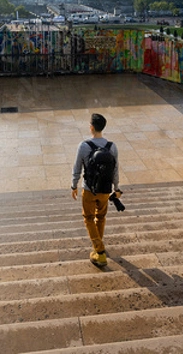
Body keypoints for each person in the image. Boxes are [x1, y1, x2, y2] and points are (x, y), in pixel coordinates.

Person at [71, 113, 121, 267]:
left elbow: (77, 168)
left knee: (88, 218)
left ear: (91, 127)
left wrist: (74, 185)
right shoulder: (112, 146)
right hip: (105, 190)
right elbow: (115, 169)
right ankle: (98, 245)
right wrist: (117, 189)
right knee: (100, 217)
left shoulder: (84, 146)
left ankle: (99, 251)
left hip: (89, 189)